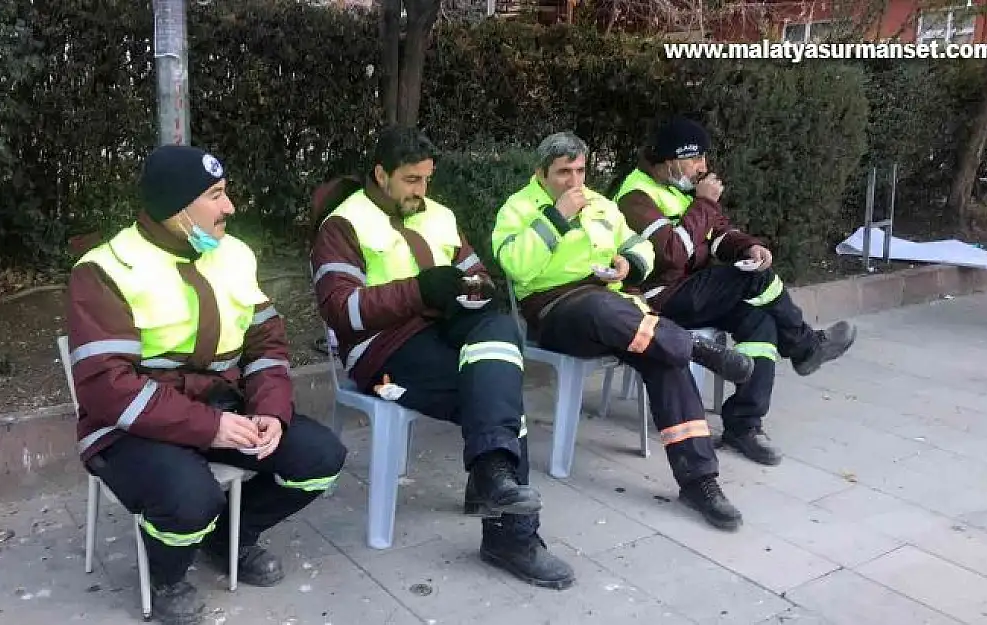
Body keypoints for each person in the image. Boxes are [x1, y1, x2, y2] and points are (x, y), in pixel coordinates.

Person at [67, 145, 347, 625]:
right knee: (192, 498)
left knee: (321, 458)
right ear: (176, 208)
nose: (230, 207)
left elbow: (266, 342)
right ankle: (168, 578)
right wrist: (209, 427)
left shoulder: (232, 254)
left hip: (223, 407)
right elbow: (107, 388)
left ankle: (228, 539)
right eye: (216, 195)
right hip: (128, 427)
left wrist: (271, 411)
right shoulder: (104, 269)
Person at [309, 125, 575, 589]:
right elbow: (341, 310)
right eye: (412, 180)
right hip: (383, 352)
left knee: (499, 333)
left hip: (447, 329)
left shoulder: (438, 215)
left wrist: (477, 291)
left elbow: (475, 271)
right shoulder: (341, 226)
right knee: (500, 390)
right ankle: (507, 529)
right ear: (381, 174)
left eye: (427, 180)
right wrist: (419, 291)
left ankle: (493, 482)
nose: (422, 191)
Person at [492, 131, 756, 530]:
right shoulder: (518, 207)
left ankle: (699, 480)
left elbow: (642, 247)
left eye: (580, 170)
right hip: (553, 309)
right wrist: (556, 217)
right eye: (564, 172)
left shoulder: (600, 204)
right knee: (611, 312)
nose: (575, 181)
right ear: (541, 173)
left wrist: (628, 265)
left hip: (618, 308)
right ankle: (695, 347)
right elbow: (516, 265)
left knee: (664, 357)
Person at [609, 116, 857, 467]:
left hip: (693, 291)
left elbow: (719, 235)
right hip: (657, 299)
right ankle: (805, 345)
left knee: (759, 322)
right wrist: (705, 204)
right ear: (670, 161)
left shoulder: (683, 192)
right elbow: (670, 254)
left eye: (704, 159)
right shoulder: (635, 197)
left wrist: (749, 248)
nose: (703, 167)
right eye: (696, 159)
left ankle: (744, 425)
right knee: (752, 280)